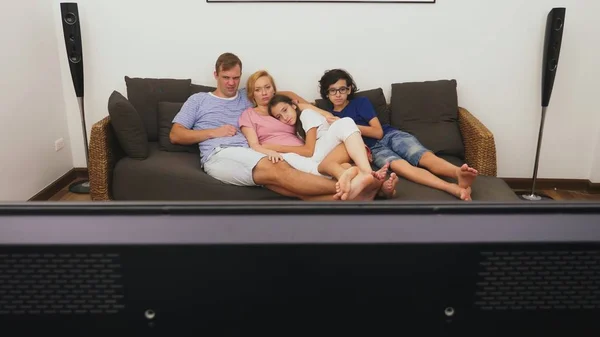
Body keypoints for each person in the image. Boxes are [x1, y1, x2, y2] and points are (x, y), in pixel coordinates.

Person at [168, 52, 381, 201]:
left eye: (235, 78)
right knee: (280, 169)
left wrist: (325, 114)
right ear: (215, 75)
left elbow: (288, 97)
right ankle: (355, 186)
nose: (231, 83)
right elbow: (176, 135)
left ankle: (353, 196)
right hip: (220, 152)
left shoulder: (248, 95)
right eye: (226, 78)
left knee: (288, 188)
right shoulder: (198, 100)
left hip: (251, 154)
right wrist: (214, 132)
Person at [317, 69, 478, 200]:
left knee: (422, 156)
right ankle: (453, 189)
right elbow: (301, 104)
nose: (338, 94)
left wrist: (346, 123)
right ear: (327, 93)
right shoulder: (329, 117)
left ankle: (458, 173)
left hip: (390, 135)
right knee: (405, 169)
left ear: (349, 89)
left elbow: (377, 132)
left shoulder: (360, 103)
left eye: (342, 89)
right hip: (373, 150)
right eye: (332, 91)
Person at [238, 70, 397, 200]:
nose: (264, 93)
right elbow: (255, 145)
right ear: (252, 94)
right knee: (339, 166)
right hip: (292, 156)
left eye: (267, 87)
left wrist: (325, 116)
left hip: (312, 149)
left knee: (345, 123)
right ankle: (370, 187)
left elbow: (312, 111)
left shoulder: (292, 108)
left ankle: (366, 175)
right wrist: (271, 150)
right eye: (258, 90)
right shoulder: (251, 114)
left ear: (274, 89)